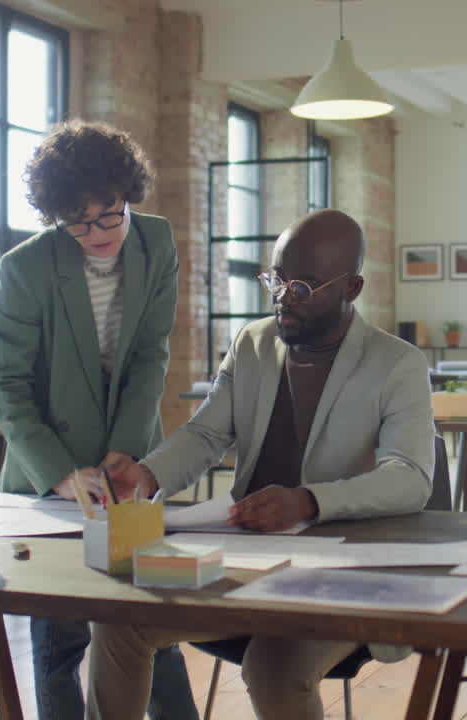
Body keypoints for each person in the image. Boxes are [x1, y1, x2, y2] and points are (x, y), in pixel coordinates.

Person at [85, 209, 435, 720]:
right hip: (242, 564)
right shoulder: (252, 344)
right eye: (276, 279)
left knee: (274, 665)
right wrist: (148, 474)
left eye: (304, 286)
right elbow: (207, 434)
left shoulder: (397, 364)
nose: (282, 298)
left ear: (352, 287)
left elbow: (410, 477)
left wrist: (308, 501)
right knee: (117, 622)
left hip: (339, 578)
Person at [0, 119, 199, 720]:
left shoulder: (157, 243)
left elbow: (152, 355)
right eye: (77, 221)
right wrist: (59, 474)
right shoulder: (26, 267)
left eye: (110, 214)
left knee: (151, 626)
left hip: (129, 470)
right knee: (59, 644)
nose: (97, 232)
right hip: (50, 475)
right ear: (56, 214)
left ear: (128, 195)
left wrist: (128, 453)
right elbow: (6, 383)